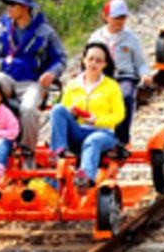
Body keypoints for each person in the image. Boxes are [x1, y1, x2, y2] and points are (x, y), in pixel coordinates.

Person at [0, 0, 68, 146]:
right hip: (6, 81)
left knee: (28, 110)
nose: (9, 8)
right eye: (8, 4)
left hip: (32, 83)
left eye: (13, 4)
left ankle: (28, 149)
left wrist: (51, 73)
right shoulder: (0, 29)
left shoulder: (45, 32)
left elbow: (60, 59)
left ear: (26, 7)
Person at [47, 42, 128, 189]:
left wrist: (97, 120)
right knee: (57, 109)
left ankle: (85, 176)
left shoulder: (111, 86)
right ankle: (58, 153)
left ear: (104, 64)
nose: (94, 63)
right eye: (90, 59)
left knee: (93, 140)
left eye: (98, 60)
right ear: (84, 60)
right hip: (78, 131)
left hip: (103, 133)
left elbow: (119, 114)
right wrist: (70, 111)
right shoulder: (72, 85)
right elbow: (63, 112)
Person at [86, 0, 150, 141]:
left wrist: (145, 74)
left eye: (122, 17)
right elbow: (88, 61)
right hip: (101, 77)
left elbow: (140, 62)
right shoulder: (96, 37)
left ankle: (121, 139)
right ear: (106, 17)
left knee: (124, 97)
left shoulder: (130, 38)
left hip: (124, 77)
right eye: (116, 17)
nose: (119, 21)